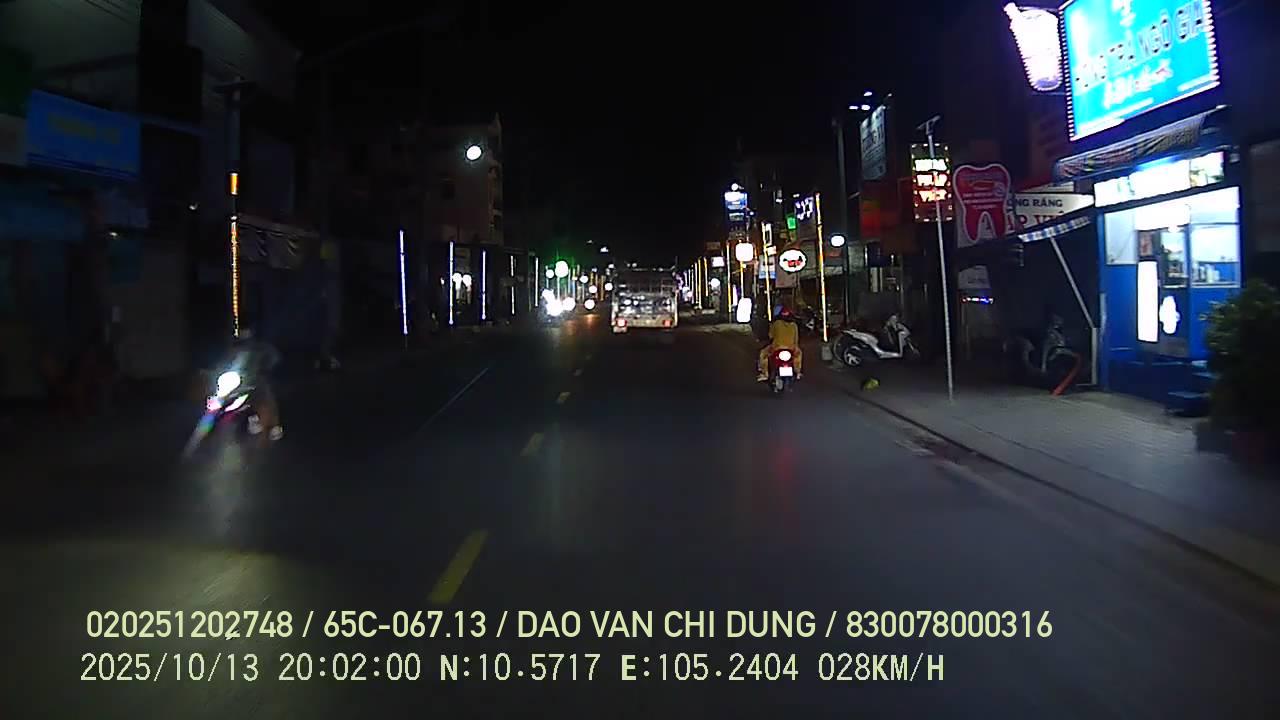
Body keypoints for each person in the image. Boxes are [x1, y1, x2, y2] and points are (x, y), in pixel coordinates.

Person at [226, 328, 284, 443]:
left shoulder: (260, 348)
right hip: (242, 380)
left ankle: (274, 426)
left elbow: (274, 358)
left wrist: (264, 368)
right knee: (246, 400)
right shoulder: (235, 349)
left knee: (265, 399)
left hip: (257, 379)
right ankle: (254, 420)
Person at [757, 305, 803, 382]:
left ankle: (765, 374)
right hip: (791, 348)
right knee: (798, 355)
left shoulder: (776, 323)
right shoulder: (794, 325)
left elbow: (771, 335)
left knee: (763, 354)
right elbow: (796, 339)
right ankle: (798, 372)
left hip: (776, 347)